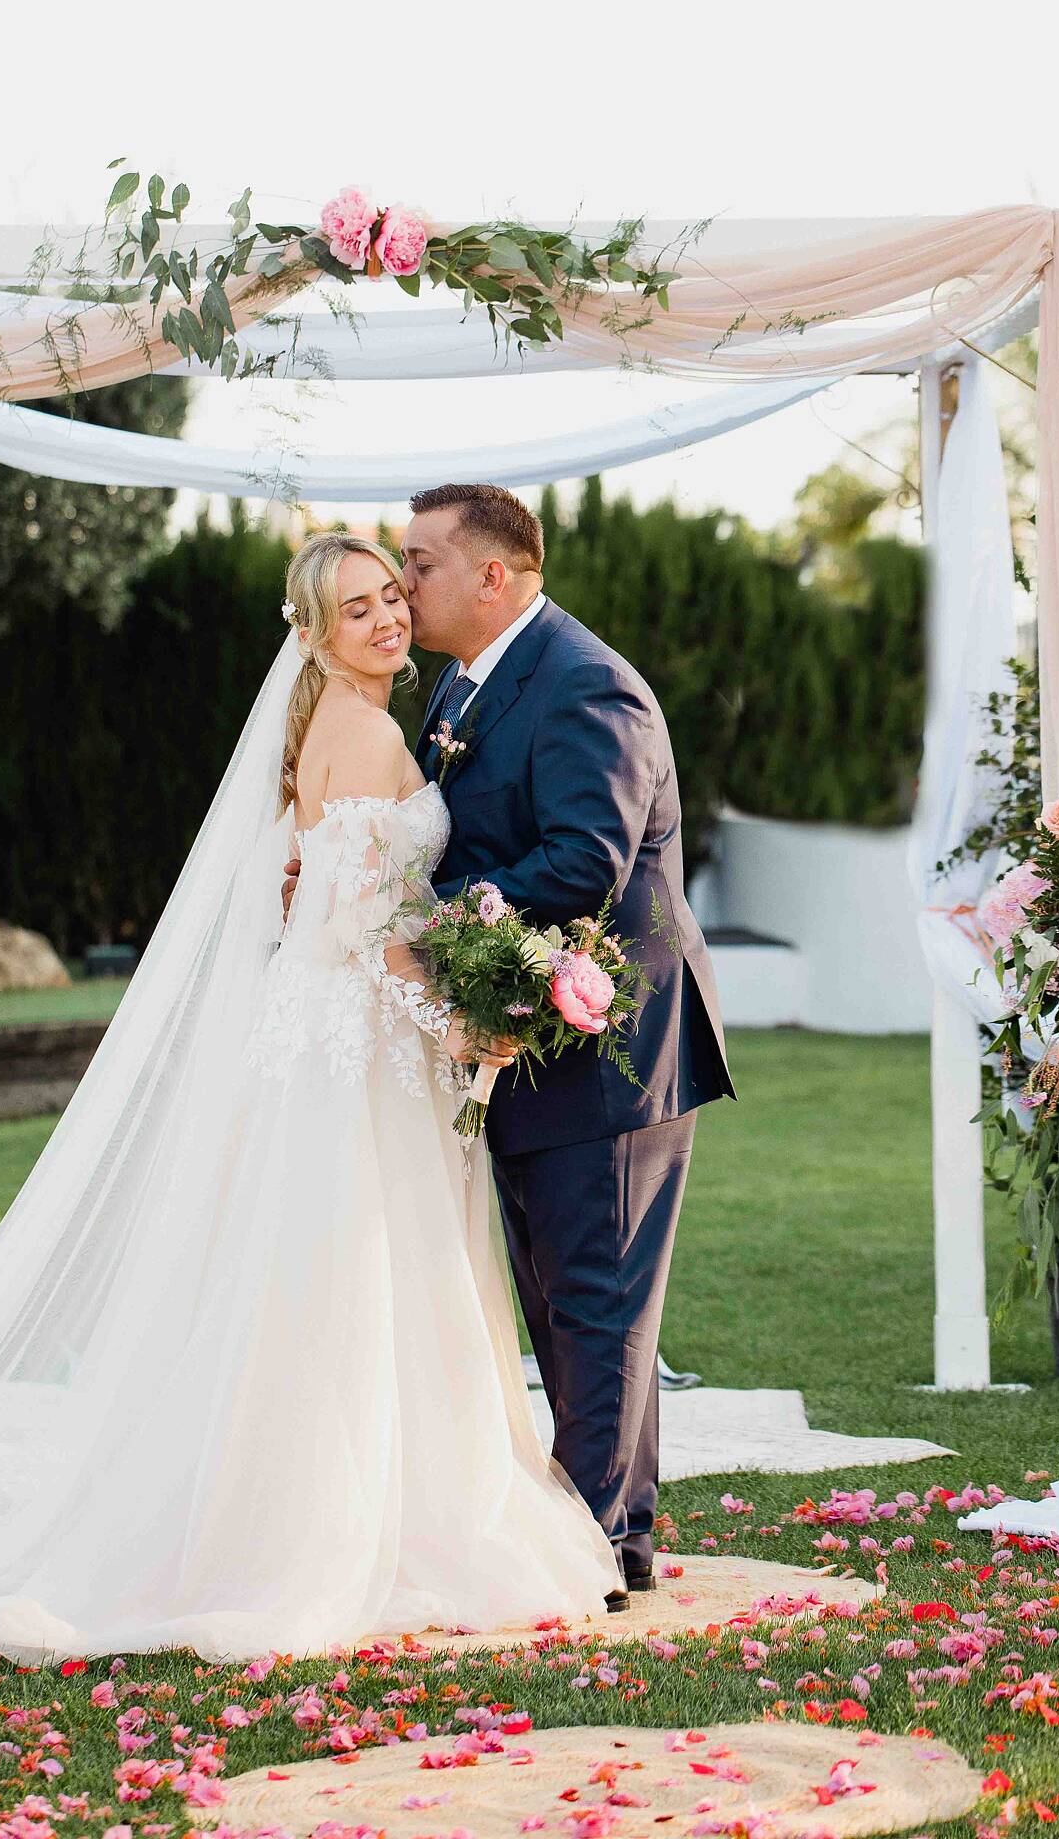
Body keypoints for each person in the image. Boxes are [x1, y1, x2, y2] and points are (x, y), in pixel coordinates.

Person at [0, 531, 623, 1679]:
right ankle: (344, 1529)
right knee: (363, 1276)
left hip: (330, 1038)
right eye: (356, 608)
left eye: (388, 597)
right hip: (356, 1042)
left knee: (329, 1278)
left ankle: (318, 1506)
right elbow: (367, 926)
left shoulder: (340, 724)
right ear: (314, 632)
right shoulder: (367, 731)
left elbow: (321, 889)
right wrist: (468, 999)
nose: (383, 619)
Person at [287, 485, 735, 1604]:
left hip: (612, 1043)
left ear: (495, 576)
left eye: (419, 564)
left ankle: (597, 1547)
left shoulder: (587, 684)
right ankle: (603, 1530)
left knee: (594, 1297)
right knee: (560, 1301)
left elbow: (584, 860)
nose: (403, 586)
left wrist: (423, 923)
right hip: (526, 1042)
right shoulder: (458, 684)